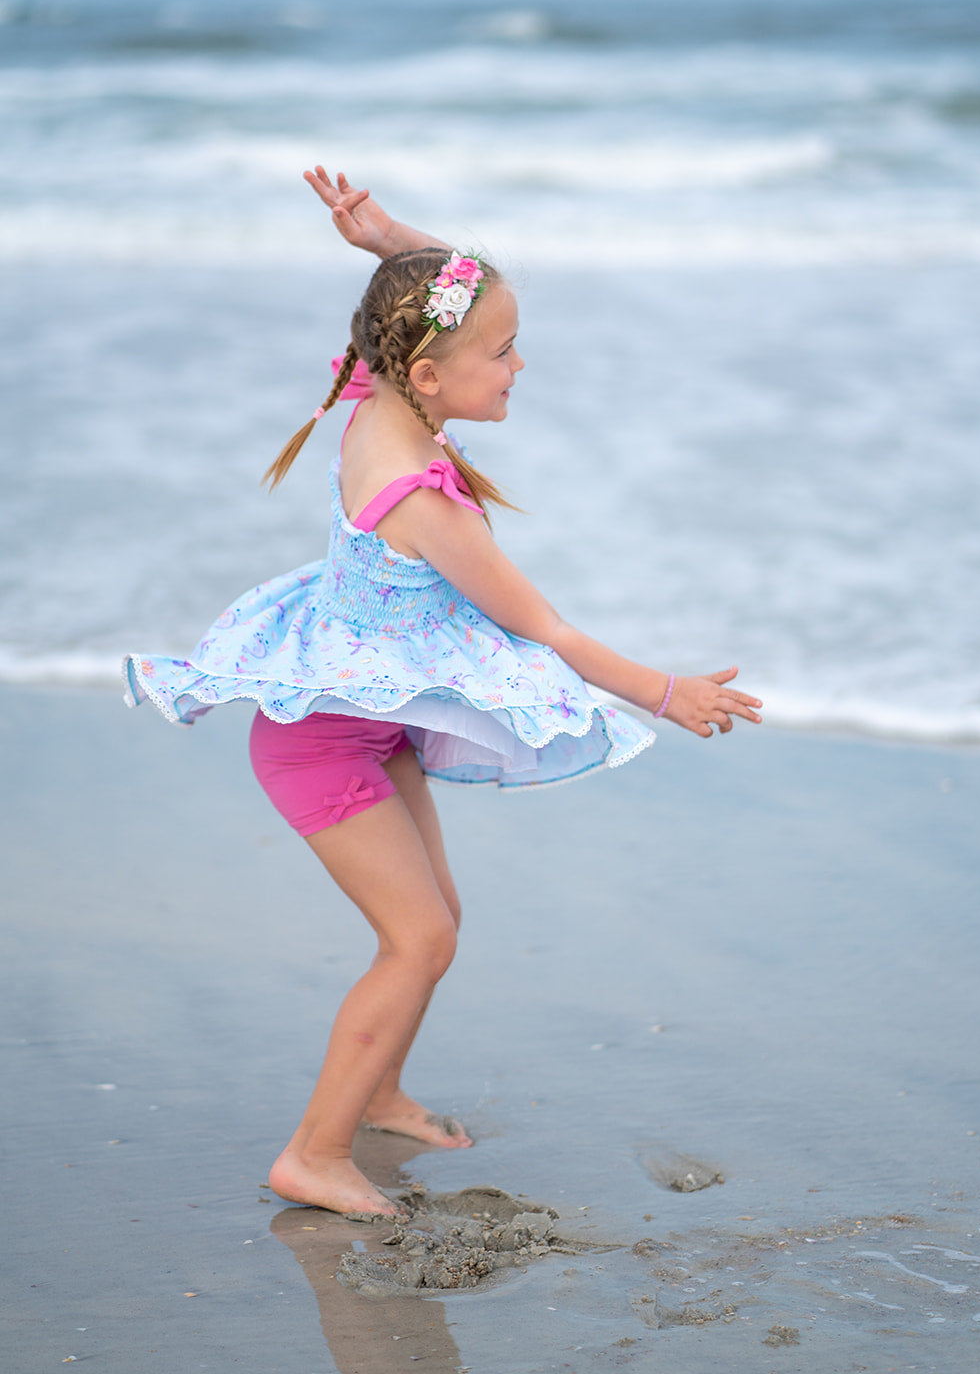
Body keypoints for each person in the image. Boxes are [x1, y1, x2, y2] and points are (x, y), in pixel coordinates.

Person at [124, 169, 763, 1219]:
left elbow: (432, 296)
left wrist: (386, 239)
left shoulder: (379, 389)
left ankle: (374, 1090)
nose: (519, 364)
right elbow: (541, 627)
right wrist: (664, 691)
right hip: (323, 741)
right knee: (417, 938)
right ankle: (312, 1153)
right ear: (429, 372)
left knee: (436, 922)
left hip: (373, 714)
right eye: (502, 352)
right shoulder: (423, 502)